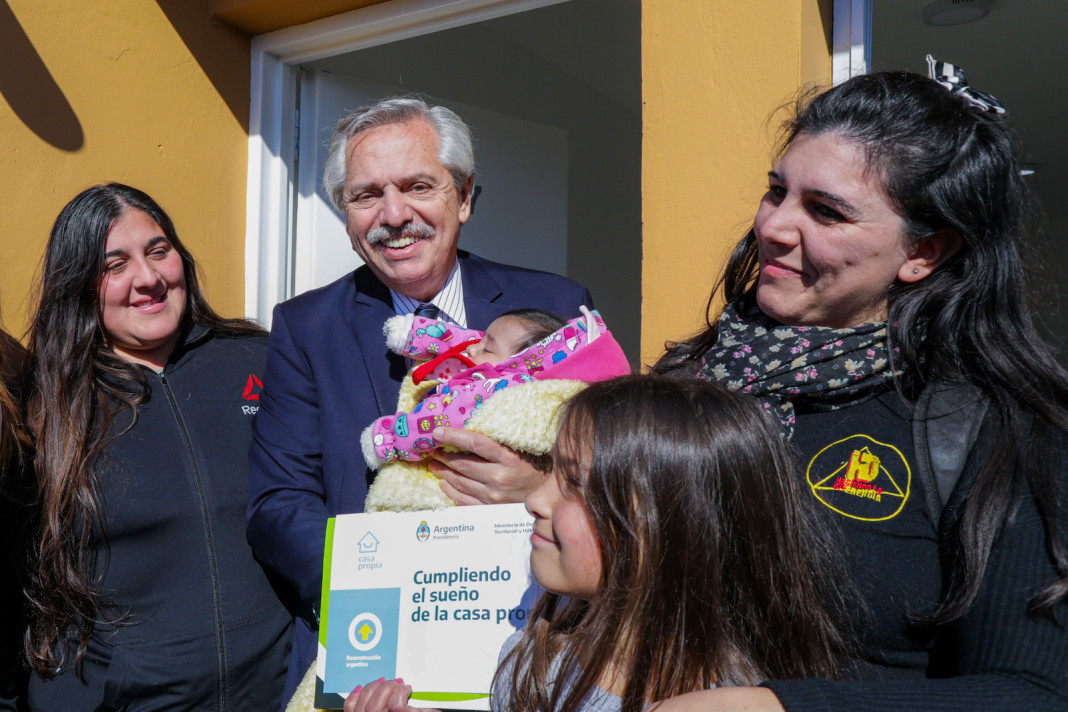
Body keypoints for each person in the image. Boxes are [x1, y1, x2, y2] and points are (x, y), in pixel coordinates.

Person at [649, 59, 1068, 710]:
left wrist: (777, 706)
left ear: (923, 253)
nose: (774, 227)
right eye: (776, 190)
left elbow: (1031, 693)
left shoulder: (995, 428)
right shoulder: (692, 378)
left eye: (826, 212)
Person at [246, 96, 596, 703]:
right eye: (366, 195)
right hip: (371, 647)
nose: (393, 214)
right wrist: (383, 584)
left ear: (463, 197)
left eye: (417, 186)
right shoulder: (306, 328)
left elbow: (621, 469)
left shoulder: (559, 305)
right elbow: (277, 506)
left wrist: (536, 485)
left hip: (532, 629)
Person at [344, 375, 850, 712]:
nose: (534, 499)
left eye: (574, 482)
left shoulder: (742, 699)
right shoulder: (535, 660)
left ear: (670, 525)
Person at [22, 184, 292, 710]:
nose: (148, 279)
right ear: (78, 285)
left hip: (279, 693)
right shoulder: (43, 403)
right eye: (115, 264)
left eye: (158, 250)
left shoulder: (262, 360)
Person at [365, 306, 628, 467]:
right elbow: (464, 338)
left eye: (486, 348)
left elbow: (443, 417)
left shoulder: (493, 390)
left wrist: (388, 439)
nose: (472, 348)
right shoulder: (507, 354)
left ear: (517, 366)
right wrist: (413, 333)